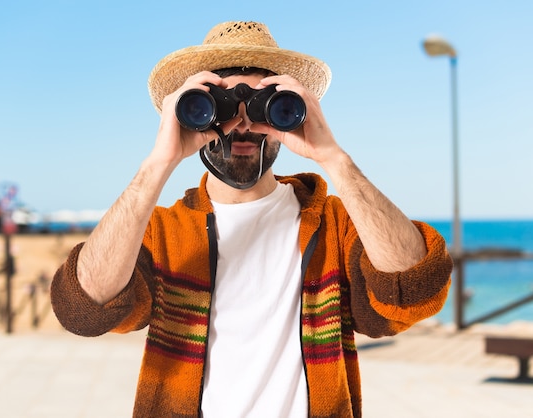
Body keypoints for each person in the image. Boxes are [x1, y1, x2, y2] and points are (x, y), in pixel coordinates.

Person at [51, 21, 453, 418]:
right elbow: (83, 308)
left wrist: (333, 156)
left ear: (291, 112)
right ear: (192, 113)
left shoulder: (334, 224)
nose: (242, 123)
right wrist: (159, 162)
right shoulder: (163, 232)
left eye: (265, 106)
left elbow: (414, 291)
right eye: (219, 105)